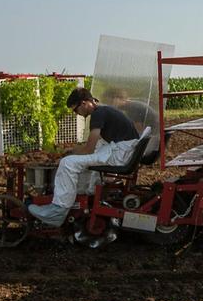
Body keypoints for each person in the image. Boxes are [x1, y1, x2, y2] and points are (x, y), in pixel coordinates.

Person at [27, 87, 142, 226]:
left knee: (67, 163)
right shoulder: (104, 111)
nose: (77, 114)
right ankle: (89, 190)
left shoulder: (98, 114)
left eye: (76, 110)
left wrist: (68, 155)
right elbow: (93, 145)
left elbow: (89, 149)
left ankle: (58, 211)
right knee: (80, 157)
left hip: (121, 155)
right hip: (124, 151)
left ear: (84, 103)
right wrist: (73, 150)